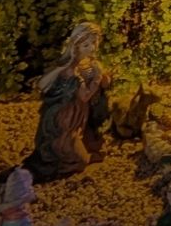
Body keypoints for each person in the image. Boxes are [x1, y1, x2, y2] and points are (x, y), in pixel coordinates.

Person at [26, 22, 111, 182]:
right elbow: (85, 95)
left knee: (90, 142)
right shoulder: (71, 70)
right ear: (76, 46)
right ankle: (62, 161)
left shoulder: (89, 63)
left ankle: (83, 148)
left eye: (94, 42)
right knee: (78, 160)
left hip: (81, 115)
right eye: (86, 45)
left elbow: (104, 85)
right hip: (67, 118)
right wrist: (97, 78)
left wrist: (103, 77)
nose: (92, 48)